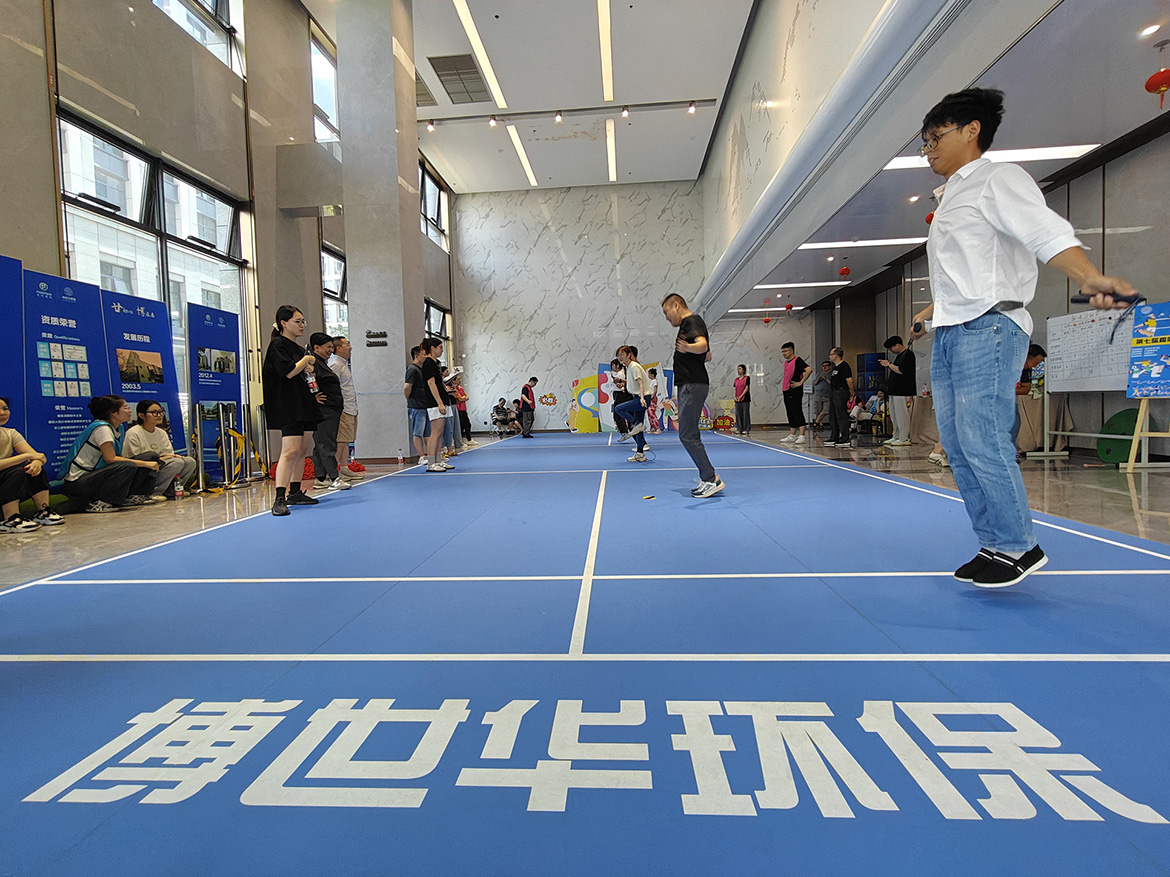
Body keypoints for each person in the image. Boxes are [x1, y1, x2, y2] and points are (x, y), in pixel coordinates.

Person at [909, 87, 1135, 588]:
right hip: (953, 329)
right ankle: (993, 542)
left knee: (982, 437)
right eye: (925, 142)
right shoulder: (950, 197)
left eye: (934, 138)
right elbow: (968, 270)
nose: (928, 150)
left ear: (972, 130)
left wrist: (1089, 277)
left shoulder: (996, 179)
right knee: (956, 444)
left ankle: (1019, 545)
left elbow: (1043, 231)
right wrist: (932, 311)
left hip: (989, 326)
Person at [262, 305, 322, 516]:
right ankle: (280, 497)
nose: (302, 325)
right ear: (283, 323)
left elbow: (301, 372)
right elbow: (287, 372)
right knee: (289, 450)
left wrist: (309, 367)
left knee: (302, 449)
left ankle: (295, 491)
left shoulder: (297, 348)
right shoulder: (278, 345)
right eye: (297, 321)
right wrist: (307, 360)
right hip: (287, 405)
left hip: (303, 403)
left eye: (303, 321)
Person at [661, 293, 723, 498]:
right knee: (689, 433)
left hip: (692, 385)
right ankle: (708, 476)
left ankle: (710, 478)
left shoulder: (691, 322)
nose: (666, 317)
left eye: (666, 312)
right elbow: (708, 356)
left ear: (676, 305)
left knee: (687, 434)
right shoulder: (691, 324)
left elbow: (703, 346)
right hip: (692, 384)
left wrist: (688, 347)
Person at [61, 395, 159, 512]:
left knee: (151, 456)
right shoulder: (102, 429)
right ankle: (101, 502)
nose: (130, 411)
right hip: (79, 481)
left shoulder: (119, 427)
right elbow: (110, 458)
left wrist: (146, 462)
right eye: (126, 408)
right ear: (113, 413)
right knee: (127, 465)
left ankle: (131, 496)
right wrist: (145, 464)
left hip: (97, 475)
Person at [0, 396, 64, 531]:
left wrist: (36, 462)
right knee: (16, 472)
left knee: (33, 467)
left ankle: (43, 512)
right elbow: (30, 455)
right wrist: (28, 456)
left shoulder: (11, 433)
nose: (2, 413)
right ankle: (10, 519)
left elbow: (40, 457)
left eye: (5, 408)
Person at [123, 401, 197, 498]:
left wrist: (167, 457)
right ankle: (152, 493)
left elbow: (168, 454)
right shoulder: (133, 433)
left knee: (190, 461)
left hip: (158, 464)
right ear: (141, 415)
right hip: (142, 469)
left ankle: (172, 490)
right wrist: (164, 458)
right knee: (177, 463)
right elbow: (137, 459)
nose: (159, 415)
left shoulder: (161, 433)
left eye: (161, 412)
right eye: (154, 412)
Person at [307, 332, 350, 492]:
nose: (331, 350)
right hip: (325, 410)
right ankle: (334, 478)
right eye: (328, 347)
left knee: (322, 443)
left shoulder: (323, 363)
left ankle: (320, 478)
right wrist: (313, 396)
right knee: (327, 444)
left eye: (332, 347)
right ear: (316, 347)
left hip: (333, 409)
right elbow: (308, 380)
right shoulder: (313, 363)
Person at [328, 336, 363, 481]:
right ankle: (333, 472)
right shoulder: (335, 364)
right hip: (342, 408)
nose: (350, 347)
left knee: (347, 440)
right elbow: (331, 387)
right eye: (347, 344)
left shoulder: (344, 364)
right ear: (339, 348)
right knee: (341, 441)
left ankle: (344, 467)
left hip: (350, 407)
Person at [614, 346, 651, 462]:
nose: (620, 357)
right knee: (638, 429)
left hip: (641, 398)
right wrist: (623, 385)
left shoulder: (634, 366)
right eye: (618, 355)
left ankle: (636, 424)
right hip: (637, 397)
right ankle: (640, 454)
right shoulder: (629, 367)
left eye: (622, 354)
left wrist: (642, 398)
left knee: (618, 409)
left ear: (629, 355)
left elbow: (641, 383)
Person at [420, 338, 452, 471]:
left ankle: (438, 460)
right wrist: (439, 403)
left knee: (440, 433)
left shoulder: (435, 363)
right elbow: (431, 383)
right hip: (434, 402)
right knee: (435, 432)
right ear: (432, 348)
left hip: (441, 400)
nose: (442, 350)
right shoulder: (428, 363)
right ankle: (431, 462)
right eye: (440, 347)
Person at [879, 335, 916, 446]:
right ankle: (896, 435)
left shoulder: (908, 355)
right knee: (894, 415)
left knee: (902, 414)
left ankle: (904, 437)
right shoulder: (899, 356)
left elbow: (901, 370)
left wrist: (888, 364)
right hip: (894, 390)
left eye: (892, 348)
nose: (891, 351)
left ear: (898, 345)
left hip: (903, 390)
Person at [403, 346, 432, 464]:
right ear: (416, 355)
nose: (426, 356)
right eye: (424, 354)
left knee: (427, 433)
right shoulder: (412, 370)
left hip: (425, 405)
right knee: (418, 432)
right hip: (417, 406)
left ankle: (431, 455)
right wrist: (410, 400)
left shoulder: (422, 369)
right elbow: (407, 387)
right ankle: (422, 456)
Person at [780, 342, 812, 444]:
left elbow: (809, 369)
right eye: (782, 352)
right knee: (790, 411)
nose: (784, 353)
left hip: (795, 389)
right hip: (787, 390)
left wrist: (800, 382)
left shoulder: (797, 360)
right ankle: (792, 434)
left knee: (796, 410)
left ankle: (802, 435)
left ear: (791, 351)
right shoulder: (786, 362)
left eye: (785, 351)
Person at [825, 347, 855, 448]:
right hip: (834, 392)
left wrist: (852, 392)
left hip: (841, 392)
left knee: (841, 415)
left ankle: (845, 437)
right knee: (833, 415)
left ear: (836, 355)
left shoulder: (844, 366)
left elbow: (849, 380)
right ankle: (834, 436)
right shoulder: (835, 367)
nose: (829, 356)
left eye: (831, 354)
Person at [451, 373, 477, 446]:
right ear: (454, 381)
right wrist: (462, 399)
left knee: (467, 424)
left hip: (463, 409)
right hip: (458, 409)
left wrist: (462, 399)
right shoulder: (454, 389)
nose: (460, 380)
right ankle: (461, 440)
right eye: (458, 379)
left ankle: (468, 439)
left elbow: (466, 397)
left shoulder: (461, 388)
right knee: (460, 425)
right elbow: (459, 399)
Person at [810, 361, 832, 430]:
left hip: (827, 395)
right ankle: (820, 424)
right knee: (818, 410)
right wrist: (818, 379)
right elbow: (814, 383)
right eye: (823, 366)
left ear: (829, 367)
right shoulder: (818, 374)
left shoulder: (831, 374)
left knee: (826, 410)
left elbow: (832, 383)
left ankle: (816, 422)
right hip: (818, 394)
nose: (824, 367)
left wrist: (825, 378)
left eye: (826, 366)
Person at [733, 364, 751, 436]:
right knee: (738, 414)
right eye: (738, 369)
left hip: (745, 399)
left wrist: (741, 396)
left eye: (740, 369)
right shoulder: (736, 380)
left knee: (745, 414)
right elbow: (735, 389)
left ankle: (746, 429)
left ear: (743, 370)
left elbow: (746, 388)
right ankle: (739, 428)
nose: (738, 370)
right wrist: (735, 397)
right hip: (737, 399)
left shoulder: (747, 378)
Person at [646, 367, 662, 434]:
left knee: (652, 412)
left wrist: (652, 397)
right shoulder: (652, 382)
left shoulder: (655, 381)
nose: (648, 375)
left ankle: (657, 428)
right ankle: (653, 427)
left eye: (649, 374)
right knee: (649, 413)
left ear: (652, 374)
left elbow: (655, 390)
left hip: (653, 398)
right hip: (650, 397)